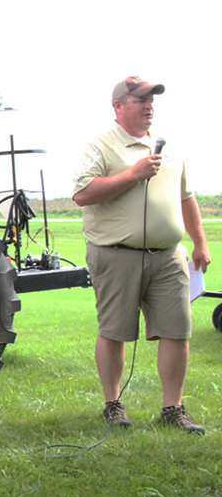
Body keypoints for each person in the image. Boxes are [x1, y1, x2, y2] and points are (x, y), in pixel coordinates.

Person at [73, 76, 211, 434]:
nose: (148, 106)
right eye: (139, 100)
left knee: (177, 330)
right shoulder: (100, 145)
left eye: (151, 100)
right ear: (119, 106)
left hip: (169, 255)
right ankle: (113, 403)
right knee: (115, 331)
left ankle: (173, 408)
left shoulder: (169, 147)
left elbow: (186, 197)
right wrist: (133, 174)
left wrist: (200, 243)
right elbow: (83, 193)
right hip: (117, 254)